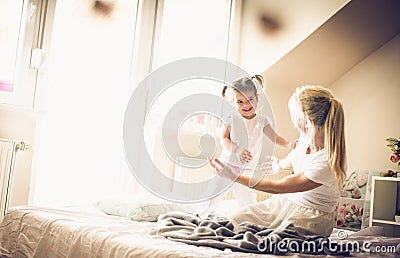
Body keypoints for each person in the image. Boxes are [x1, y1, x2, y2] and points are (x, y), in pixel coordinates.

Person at [209, 85, 347, 237]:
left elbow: (278, 187)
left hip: (311, 216)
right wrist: (279, 164)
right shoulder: (305, 138)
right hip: (285, 203)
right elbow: (295, 156)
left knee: (276, 239)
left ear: (307, 121)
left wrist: (232, 176)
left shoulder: (327, 161)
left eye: (295, 116)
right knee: (233, 221)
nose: (294, 122)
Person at [202, 75, 296, 216]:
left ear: (257, 98)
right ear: (233, 102)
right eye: (240, 101)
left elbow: (275, 137)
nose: (246, 105)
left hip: (247, 171)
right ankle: (200, 215)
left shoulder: (262, 121)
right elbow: (224, 139)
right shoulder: (232, 118)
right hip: (227, 166)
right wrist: (237, 150)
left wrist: (288, 144)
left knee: (249, 204)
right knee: (213, 197)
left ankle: (248, 221)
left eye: (250, 100)